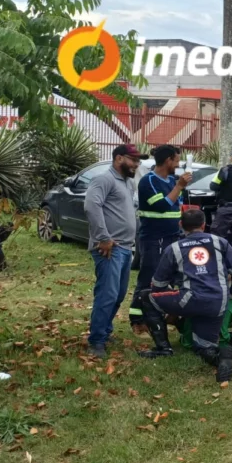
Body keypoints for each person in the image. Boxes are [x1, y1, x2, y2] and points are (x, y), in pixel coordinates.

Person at [133, 209, 232, 382]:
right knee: (203, 346)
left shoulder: (174, 248)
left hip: (190, 300)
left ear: (180, 225)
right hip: (218, 303)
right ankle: (220, 358)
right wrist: (231, 295)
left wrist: (169, 302)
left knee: (145, 297)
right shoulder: (220, 242)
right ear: (204, 225)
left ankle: (164, 348)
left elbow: (158, 284)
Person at [84, 144, 148, 359]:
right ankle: (96, 341)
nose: (136, 164)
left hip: (125, 248)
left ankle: (104, 331)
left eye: (138, 160)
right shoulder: (104, 180)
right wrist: (103, 238)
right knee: (107, 295)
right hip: (109, 249)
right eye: (133, 160)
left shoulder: (127, 182)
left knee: (118, 295)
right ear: (119, 158)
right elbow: (91, 206)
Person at [129, 145, 192, 331]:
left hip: (173, 236)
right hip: (154, 238)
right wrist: (179, 186)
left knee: (174, 277)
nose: (178, 164)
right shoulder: (148, 181)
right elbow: (162, 206)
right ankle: (137, 319)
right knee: (148, 277)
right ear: (167, 161)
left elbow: (176, 206)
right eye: (176, 160)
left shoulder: (171, 180)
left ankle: (167, 315)